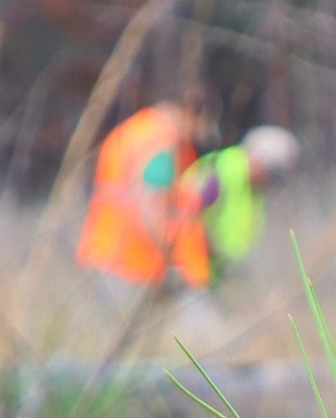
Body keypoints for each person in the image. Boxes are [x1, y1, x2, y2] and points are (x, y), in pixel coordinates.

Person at [76, 100, 211, 290]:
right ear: (191, 114)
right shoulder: (163, 143)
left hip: (105, 250)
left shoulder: (135, 130)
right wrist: (172, 258)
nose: (198, 134)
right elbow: (152, 203)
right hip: (134, 261)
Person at [188, 127, 301, 276]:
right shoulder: (223, 171)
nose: (273, 184)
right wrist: (207, 247)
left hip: (220, 273)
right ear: (259, 161)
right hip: (193, 270)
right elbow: (185, 212)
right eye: (273, 174)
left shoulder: (254, 188)